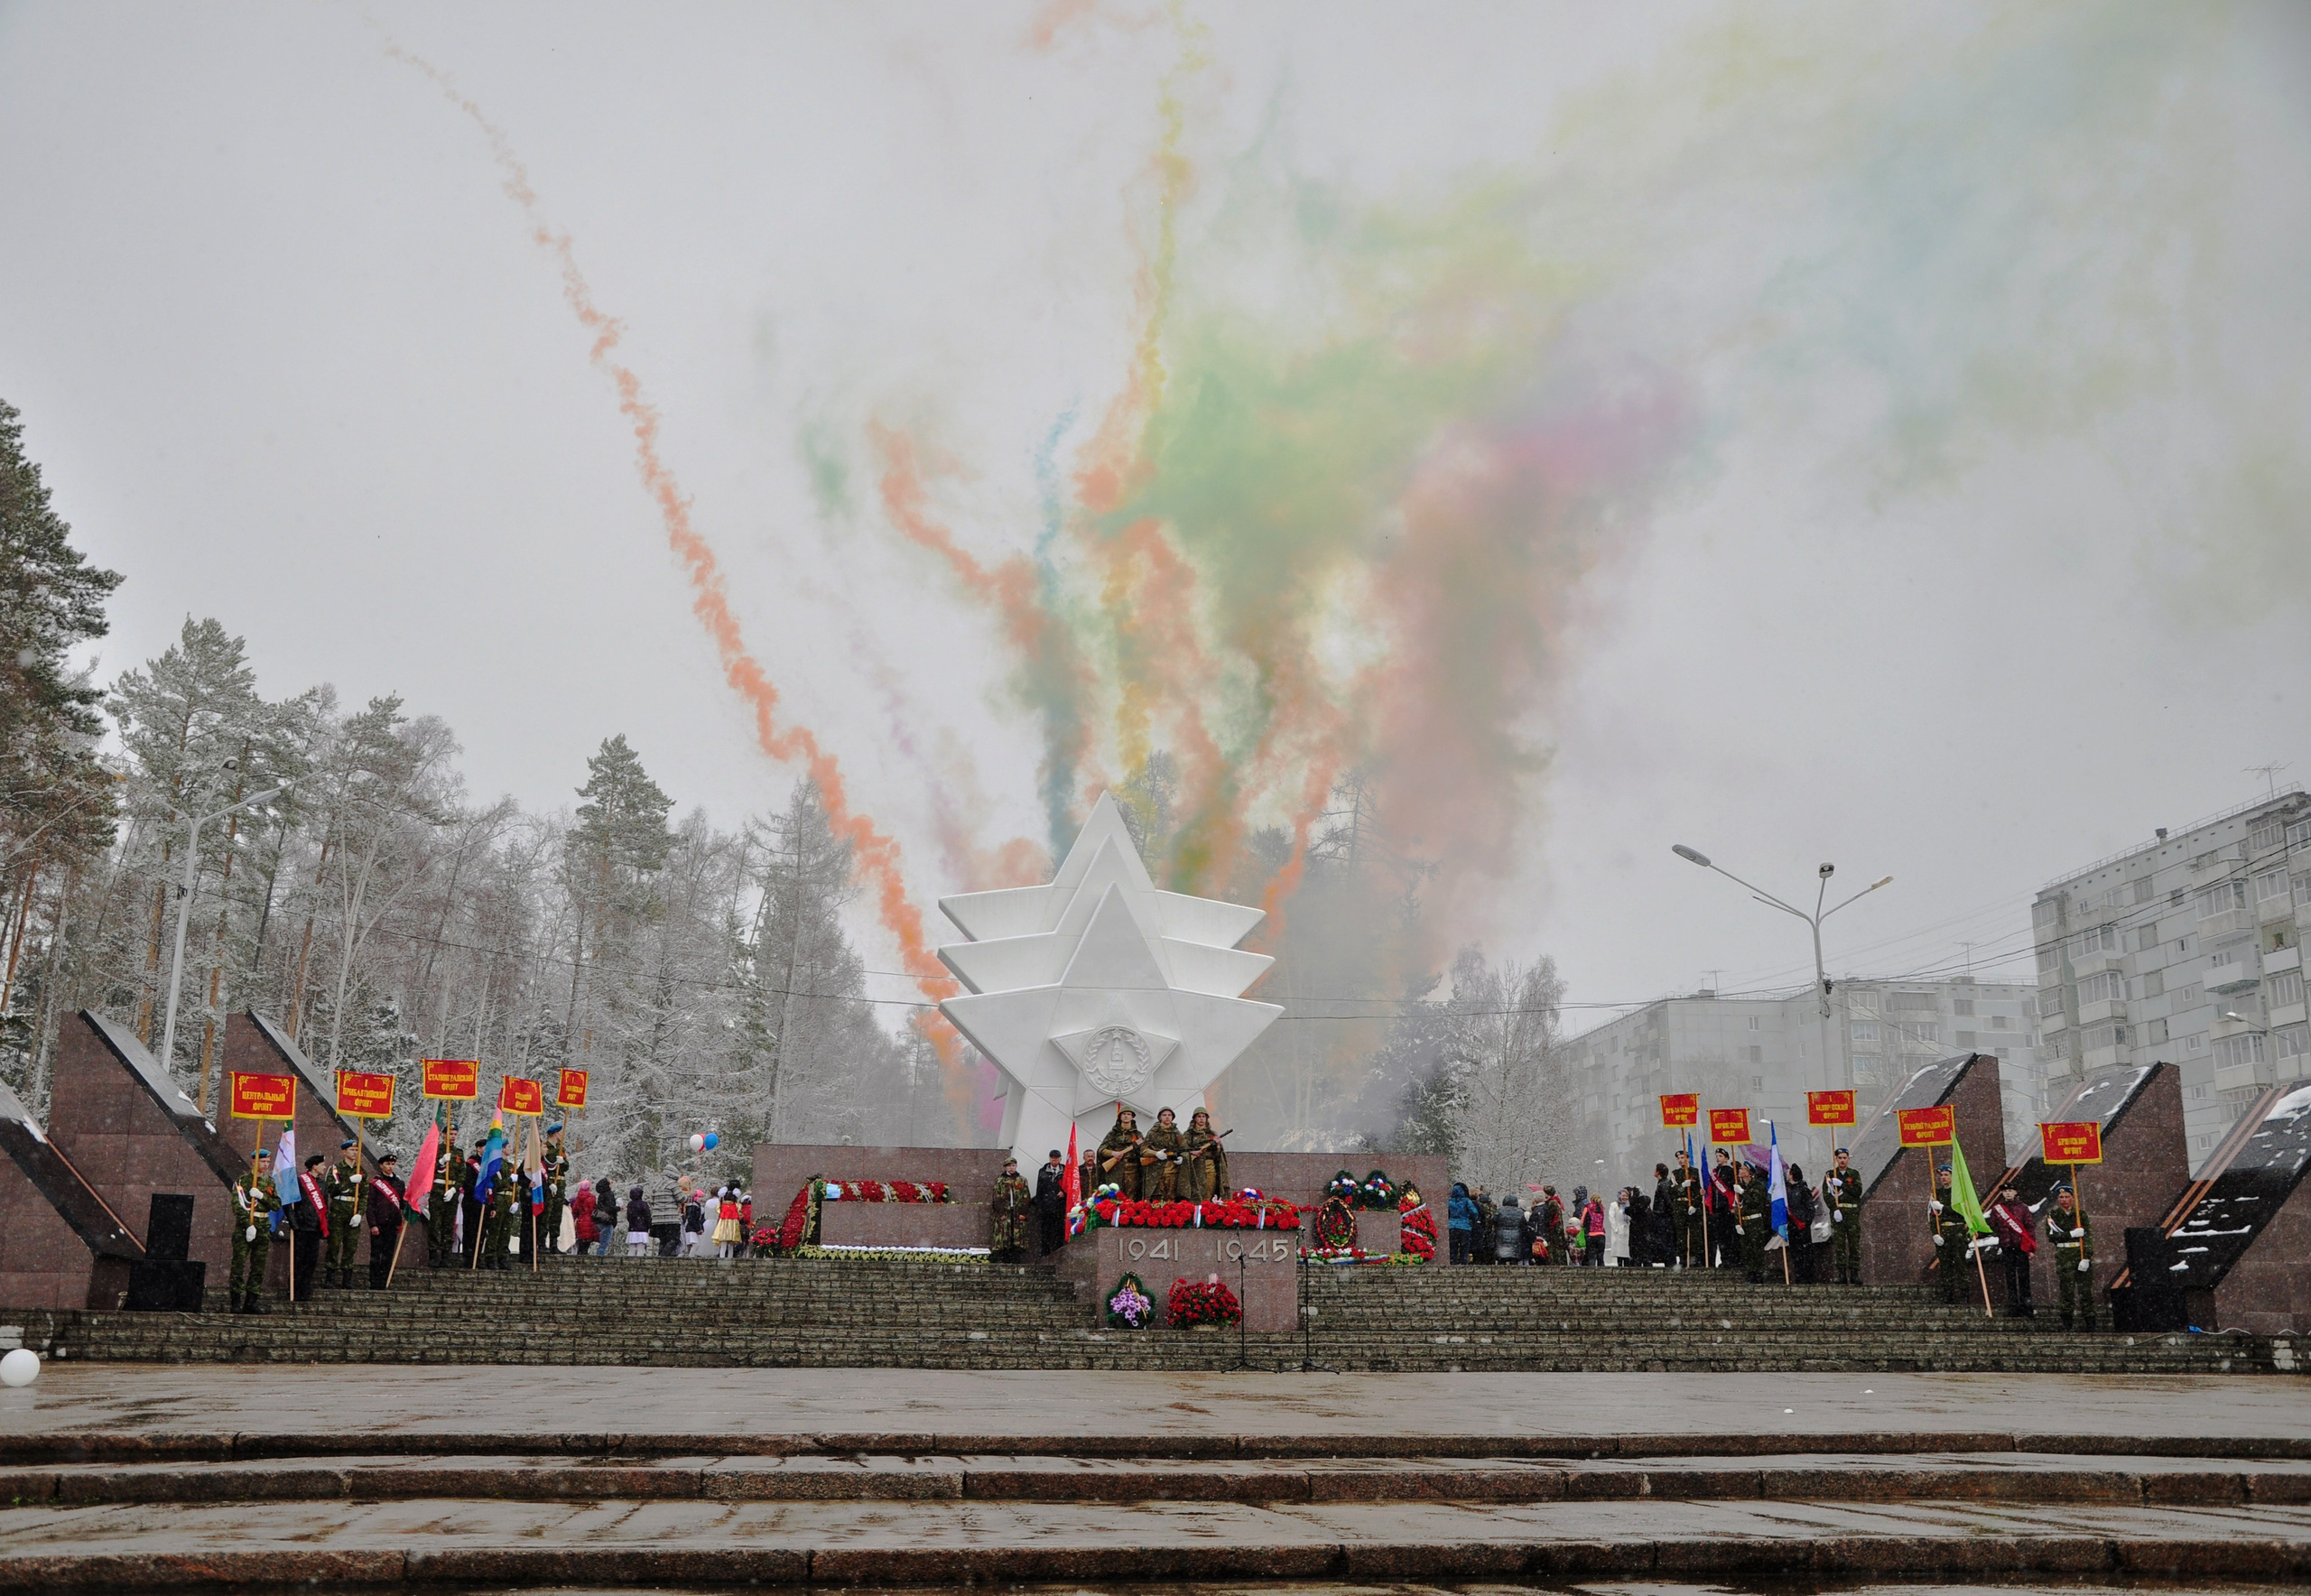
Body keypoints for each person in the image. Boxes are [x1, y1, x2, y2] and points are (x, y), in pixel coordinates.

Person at [230, 1148, 280, 1314]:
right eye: (262, 1161)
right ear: (253, 1161)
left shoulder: (270, 1183)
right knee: (238, 1264)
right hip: (245, 1228)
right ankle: (235, 1301)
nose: (265, 1165)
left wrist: (261, 1196)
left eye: (267, 1162)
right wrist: (247, 1225)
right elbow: (237, 1206)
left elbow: (276, 1205)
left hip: (263, 1227)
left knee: (258, 1267)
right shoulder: (243, 1181)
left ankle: (251, 1301)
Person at [2046, 1183, 2094, 1331]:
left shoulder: (2081, 1215)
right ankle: (2067, 1323)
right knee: (2066, 1291)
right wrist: (2071, 1234)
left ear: (2073, 1198)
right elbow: (2052, 1237)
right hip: (2064, 1257)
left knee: (2085, 1291)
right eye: (2061, 1197)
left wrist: (2086, 1257)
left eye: (2067, 1197)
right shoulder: (2053, 1216)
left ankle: (2091, 1323)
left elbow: (2089, 1237)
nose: (2064, 1200)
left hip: (2080, 1255)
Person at [1988, 1183, 2037, 1317]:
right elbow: (1992, 1226)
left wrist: (2031, 1249)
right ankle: (2013, 1307)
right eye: (2005, 1191)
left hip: (2022, 1247)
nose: (2008, 1193)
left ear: (2015, 1192)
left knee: (2024, 1278)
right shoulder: (1997, 1209)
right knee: (2010, 1278)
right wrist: (1978, 1233)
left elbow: (2030, 1228)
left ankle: (2027, 1306)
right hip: (2007, 1247)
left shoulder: (2023, 1208)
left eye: (2010, 1191)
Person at [322, 1138, 362, 1289]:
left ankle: (347, 1278)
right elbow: (331, 1189)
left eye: (357, 1150)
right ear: (344, 1152)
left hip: (353, 1211)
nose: (355, 1153)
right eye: (352, 1150)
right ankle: (330, 1276)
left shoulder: (361, 1170)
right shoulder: (335, 1169)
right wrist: (349, 1181)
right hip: (338, 1210)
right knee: (334, 1244)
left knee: (351, 1246)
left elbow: (364, 1195)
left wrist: (360, 1213)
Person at [1929, 1162, 1970, 1304]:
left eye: (1947, 1175)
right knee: (1945, 1265)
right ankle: (1948, 1294)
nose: (1943, 1178)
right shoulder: (1937, 1193)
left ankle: (1964, 1294)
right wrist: (1935, 1233)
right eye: (1941, 1175)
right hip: (1943, 1231)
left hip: (1957, 1230)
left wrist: (1943, 1208)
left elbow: (1962, 1212)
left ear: (1953, 1177)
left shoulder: (1959, 1193)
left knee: (1960, 1263)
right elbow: (1932, 1215)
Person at [367, 1152, 407, 1290]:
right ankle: (374, 1281)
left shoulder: (399, 1183)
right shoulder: (375, 1183)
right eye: (387, 1164)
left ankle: (384, 1280)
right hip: (379, 1224)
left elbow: (402, 1203)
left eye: (392, 1164)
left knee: (388, 1254)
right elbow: (370, 1205)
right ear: (381, 1165)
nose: (390, 1167)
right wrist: (373, 1224)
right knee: (376, 1254)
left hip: (393, 1224)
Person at [1822, 1147, 1862, 1285]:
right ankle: (1841, 1274)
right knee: (1839, 1244)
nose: (1842, 1160)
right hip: (1838, 1214)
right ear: (1836, 1159)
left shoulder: (1854, 1174)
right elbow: (1827, 1194)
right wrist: (1834, 1209)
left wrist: (1843, 1184)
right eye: (1840, 1158)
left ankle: (1855, 1273)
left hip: (1851, 1213)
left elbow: (1858, 1191)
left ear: (1848, 1158)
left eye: (1845, 1158)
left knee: (1854, 1244)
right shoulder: (1830, 1174)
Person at [291, 1153, 329, 1300]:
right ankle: (295, 1289)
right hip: (302, 1227)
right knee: (299, 1261)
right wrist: (294, 1223)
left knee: (311, 1261)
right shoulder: (301, 1181)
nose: (324, 1167)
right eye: (322, 1164)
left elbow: (325, 1207)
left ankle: (305, 1289)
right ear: (314, 1166)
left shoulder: (323, 1184)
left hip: (315, 1228)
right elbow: (291, 1204)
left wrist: (324, 1226)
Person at [1138, 1107, 1187, 1202]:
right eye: (1164, 1115)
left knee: (1171, 1198)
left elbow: (1185, 1149)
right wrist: (1156, 1153)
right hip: (1155, 1171)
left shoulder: (1177, 1133)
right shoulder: (1153, 1132)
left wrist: (1182, 1158)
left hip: (1172, 1170)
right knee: (1156, 1199)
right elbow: (1144, 1150)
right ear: (1160, 1117)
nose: (1167, 1117)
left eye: (1169, 1115)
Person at [1094, 1108, 1145, 1200]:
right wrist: (1113, 1153)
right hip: (1115, 1171)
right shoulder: (1112, 1134)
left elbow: (1143, 1152)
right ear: (1120, 1117)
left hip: (1132, 1171)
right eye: (1124, 1114)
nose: (1126, 1116)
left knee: (1131, 1197)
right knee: (1114, 1196)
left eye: (1129, 1114)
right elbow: (1101, 1150)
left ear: (1132, 1117)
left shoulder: (1137, 1135)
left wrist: (1139, 1148)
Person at [990, 1155, 1033, 1262]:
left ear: (1016, 1166)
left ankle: (1016, 1257)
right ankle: (1004, 1257)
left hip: (1018, 1212)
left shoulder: (1022, 1180)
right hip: (1005, 1212)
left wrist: (1024, 1212)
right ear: (1005, 1167)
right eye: (1009, 1166)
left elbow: (1026, 1197)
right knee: (1005, 1234)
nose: (1011, 1168)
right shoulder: (1000, 1180)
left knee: (1017, 1235)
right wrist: (1000, 1212)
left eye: (1013, 1165)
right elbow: (996, 1197)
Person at [429, 1137, 464, 1268]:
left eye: (455, 1134)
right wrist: (441, 1162)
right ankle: (433, 1255)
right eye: (451, 1133)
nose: (453, 1136)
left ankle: (445, 1256)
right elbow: (429, 1169)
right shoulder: (436, 1149)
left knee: (448, 1225)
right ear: (444, 1134)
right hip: (438, 1190)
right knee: (435, 1224)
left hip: (452, 1191)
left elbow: (462, 1173)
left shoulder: (458, 1152)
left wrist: (454, 1189)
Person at [1667, 1152, 1705, 1269]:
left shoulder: (1695, 1172)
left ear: (1688, 1158)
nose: (1680, 1160)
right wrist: (1682, 1185)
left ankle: (1696, 1258)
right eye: (1678, 1158)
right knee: (1681, 1234)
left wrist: (1694, 1204)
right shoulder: (1675, 1173)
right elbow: (1671, 1191)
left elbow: (1700, 1191)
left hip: (1692, 1205)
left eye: (1683, 1158)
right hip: (1679, 1205)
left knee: (1695, 1234)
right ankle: (1683, 1259)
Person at [1183, 1108, 1229, 1202]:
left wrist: (1217, 1146)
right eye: (1199, 1116)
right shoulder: (1189, 1135)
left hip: (1210, 1166)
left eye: (1203, 1116)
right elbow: (1183, 1150)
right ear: (1194, 1118)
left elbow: (1219, 1155)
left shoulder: (1212, 1134)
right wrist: (1192, 1153)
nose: (1201, 1119)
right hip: (1195, 1167)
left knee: (1210, 1192)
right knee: (1196, 1193)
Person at [1735, 1162, 1768, 1283]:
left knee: (1756, 1249)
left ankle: (1759, 1273)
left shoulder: (1758, 1186)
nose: (1740, 1171)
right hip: (1744, 1222)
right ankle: (1751, 1272)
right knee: (1746, 1249)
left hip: (1754, 1221)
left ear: (1749, 1173)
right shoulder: (1740, 1187)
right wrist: (1737, 1223)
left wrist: (1743, 1193)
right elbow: (1737, 1207)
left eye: (1743, 1169)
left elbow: (1756, 1202)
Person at [539, 1125, 570, 1255]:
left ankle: (553, 1243)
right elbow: (542, 1167)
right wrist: (550, 1182)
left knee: (557, 1216)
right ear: (554, 1134)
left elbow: (566, 1167)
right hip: (551, 1183)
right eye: (560, 1133)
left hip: (560, 1184)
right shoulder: (545, 1148)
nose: (561, 1136)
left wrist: (563, 1162)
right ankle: (541, 1243)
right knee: (547, 1214)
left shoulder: (561, 1149)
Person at [1784, 1165, 1816, 1285]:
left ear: (1793, 1175)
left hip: (1802, 1226)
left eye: (1789, 1173)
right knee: (1795, 1252)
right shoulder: (1788, 1189)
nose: (1787, 1174)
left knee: (1805, 1253)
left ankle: (1808, 1277)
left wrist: (1806, 1221)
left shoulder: (1803, 1189)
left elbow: (1810, 1208)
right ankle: (1799, 1276)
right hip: (1792, 1225)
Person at [1034, 1148, 1069, 1257]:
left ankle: (1059, 1250)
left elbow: (1070, 1186)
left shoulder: (1066, 1170)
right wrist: (1039, 1205)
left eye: (1056, 1158)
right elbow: (1039, 1189)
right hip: (1047, 1206)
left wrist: (1064, 1192)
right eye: (1052, 1158)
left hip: (1060, 1206)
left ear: (1060, 1159)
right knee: (1046, 1230)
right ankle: (1045, 1251)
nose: (1054, 1161)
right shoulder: (1043, 1171)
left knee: (1059, 1229)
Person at [1708, 1149, 1739, 1268]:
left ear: (1726, 1158)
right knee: (1720, 1236)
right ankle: (1724, 1258)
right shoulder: (1715, 1172)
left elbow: (1732, 1190)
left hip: (1726, 1207)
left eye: (1720, 1156)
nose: (1718, 1158)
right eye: (1717, 1156)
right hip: (1716, 1208)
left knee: (1728, 1236)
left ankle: (1731, 1259)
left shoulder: (1730, 1172)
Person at [1446, 1182, 1476, 1266]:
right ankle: (1463, 1263)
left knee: (1453, 1247)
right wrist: (1470, 1218)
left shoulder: (1449, 1201)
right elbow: (1474, 1212)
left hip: (1452, 1226)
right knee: (1464, 1247)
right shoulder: (1467, 1201)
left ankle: (1453, 1262)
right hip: (1465, 1226)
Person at [1533, 1185, 1563, 1265]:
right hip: (1556, 1230)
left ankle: (1553, 1263)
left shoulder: (1551, 1203)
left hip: (1553, 1231)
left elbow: (1549, 1218)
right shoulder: (1555, 1202)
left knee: (1552, 1249)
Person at [571, 1175, 599, 1259]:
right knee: (587, 1240)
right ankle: (584, 1256)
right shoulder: (592, 1198)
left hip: (581, 1220)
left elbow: (574, 1210)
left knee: (581, 1240)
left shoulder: (578, 1198)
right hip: (589, 1220)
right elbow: (593, 1209)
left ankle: (580, 1256)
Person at [1492, 1193, 1525, 1264]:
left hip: (1501, 1234)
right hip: (1516, 1234)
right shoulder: (1520, 1212)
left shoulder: (1500, 1210)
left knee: (1502, 1254)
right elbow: (1524, 1223)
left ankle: (1501, 1266)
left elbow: (1493, 1220)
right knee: (1514, 1253)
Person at [713, 1186, 742, 1258]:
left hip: (723, 1226)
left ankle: (722, 1258)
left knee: (723, 1244)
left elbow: (718, 1212)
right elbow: (740, 1214)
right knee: (731, 1245)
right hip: (733, 1226)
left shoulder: (720, 1206)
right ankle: (730, 1259)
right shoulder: (737, 1206)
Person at [1581, 1188, 1607, 1267]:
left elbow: (1582, 1222)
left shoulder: (1587, 1207)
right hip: (1601, 1235)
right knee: (1600, 1256)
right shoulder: (1602, 1208)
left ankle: (1592, 1274)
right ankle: (1602, 1274)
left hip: (1591, 1234)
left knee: (1591, 1256)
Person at [625, 1185, 652, 1259]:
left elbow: (628, 1217)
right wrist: (648, 1225)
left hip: (632, 1228)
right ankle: (639, 1262)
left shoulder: (630, 1204)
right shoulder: (643, 1204)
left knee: (632, 1247)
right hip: (642, 1229)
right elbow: (647, 1216)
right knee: (641, 1248)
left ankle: (629, 1262)